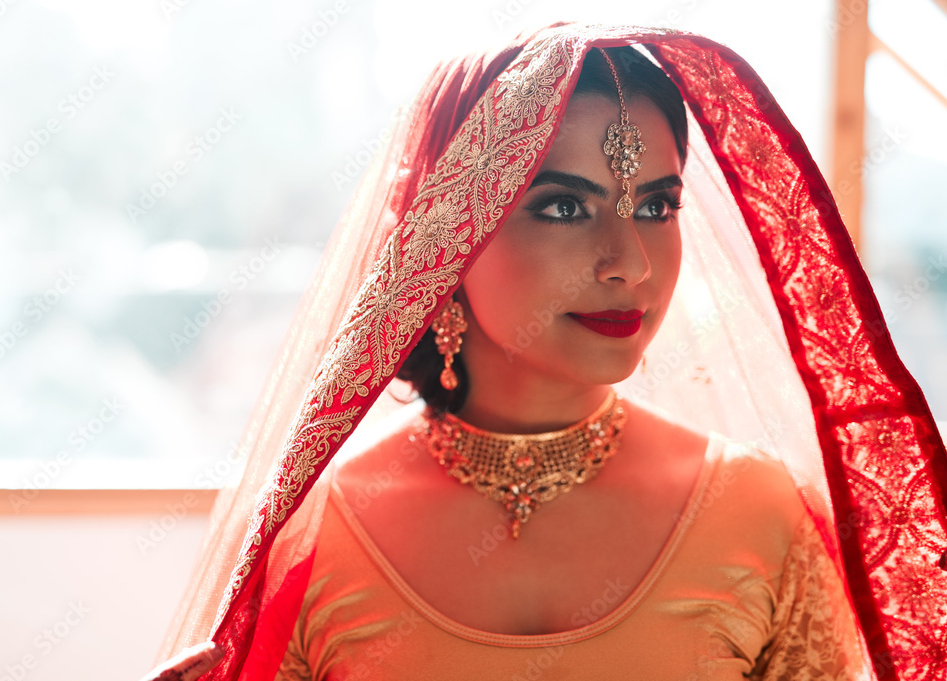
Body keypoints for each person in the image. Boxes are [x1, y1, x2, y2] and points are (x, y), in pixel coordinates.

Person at [142, 23, 947, 681]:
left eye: (657, 205)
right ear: (444, 241)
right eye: (564, 206)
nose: (628, 260)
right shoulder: (318, 537)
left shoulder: (762, 513)